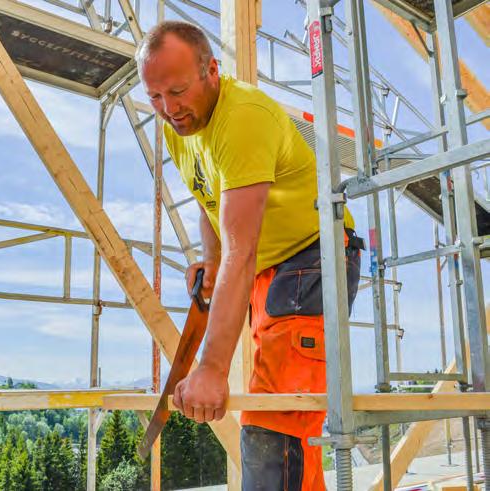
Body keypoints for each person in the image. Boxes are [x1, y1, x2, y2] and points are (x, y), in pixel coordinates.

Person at [136, 20, 361, 490]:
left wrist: (214, 369)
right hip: (267, 272)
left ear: (211, 71)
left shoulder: (243, 119)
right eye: (155, 97)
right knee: (287, 429)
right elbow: (208, 200)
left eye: (177, 91)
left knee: (274, 427)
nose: (168, 109)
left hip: (312, 259)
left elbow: (244, 248)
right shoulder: (181, 128)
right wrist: (210, 258)